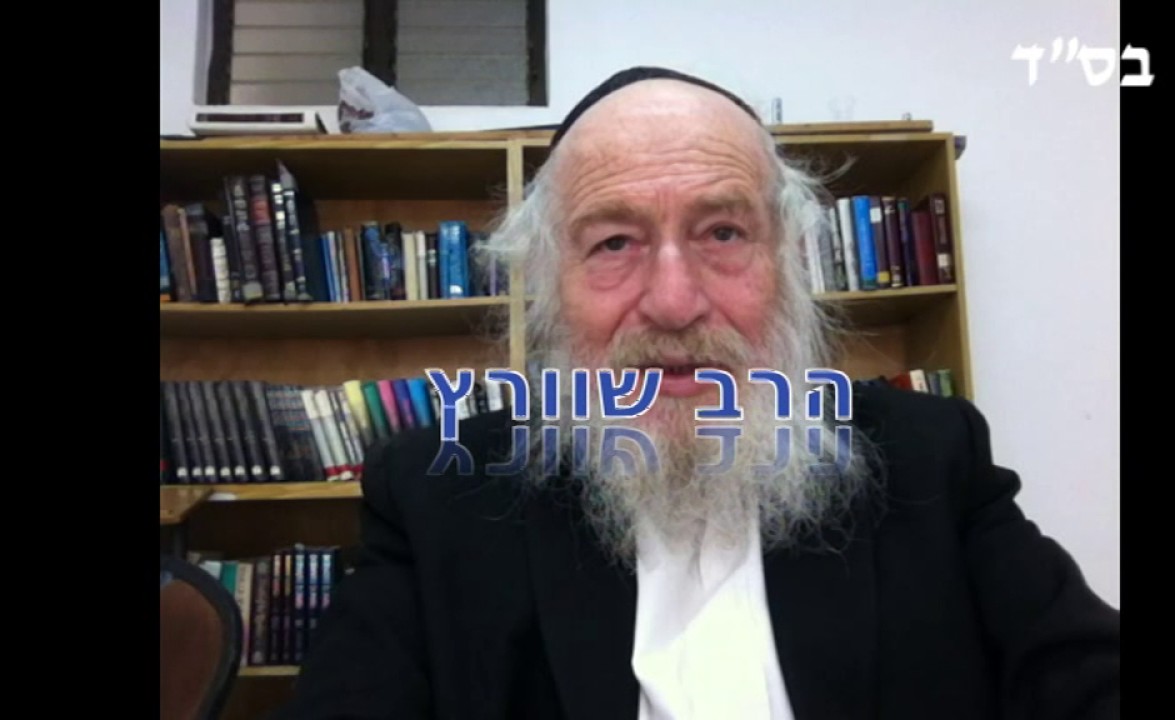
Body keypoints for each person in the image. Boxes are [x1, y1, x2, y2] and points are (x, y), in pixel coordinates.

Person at [275, 67, 1120, 719]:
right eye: (614, 242)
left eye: (722, 232)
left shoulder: (930, 456)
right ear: (549, 286)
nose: (674, 304)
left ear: (788, 262)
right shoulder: (436, 492)